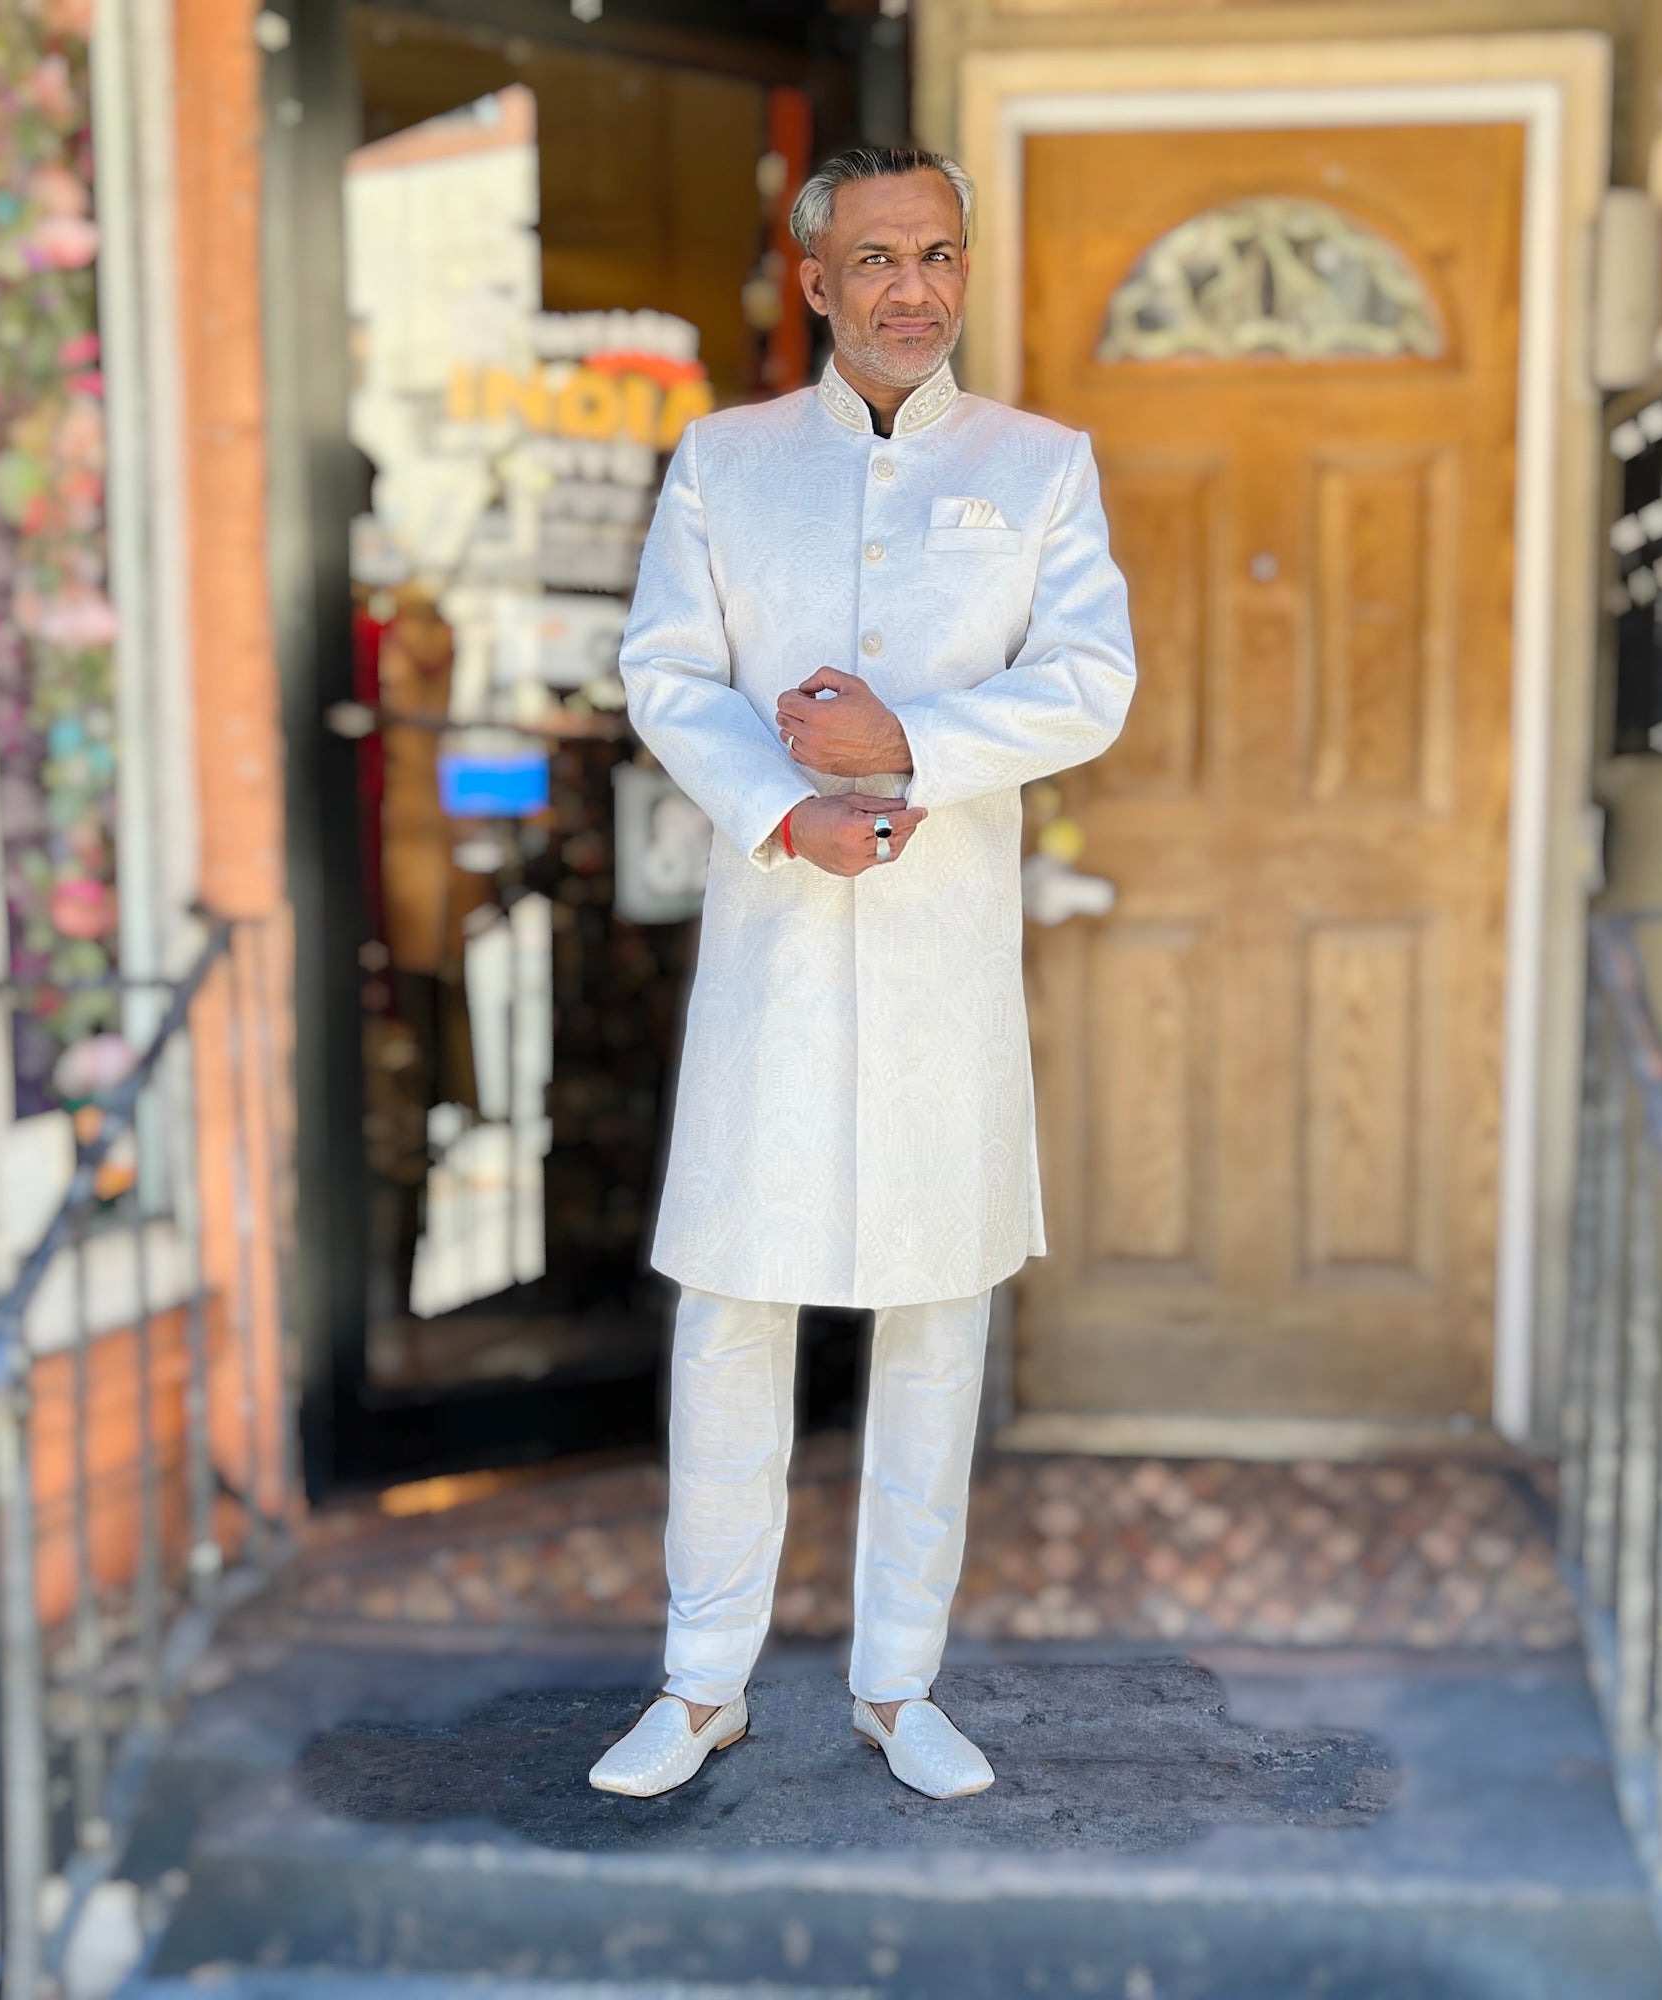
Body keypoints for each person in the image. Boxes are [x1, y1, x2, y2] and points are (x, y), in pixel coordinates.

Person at [591, 145, 1135, 1802]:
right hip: (774, 938)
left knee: (933, 1315)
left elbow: (1093, 682)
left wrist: (912, 745)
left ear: (964, 275)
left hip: (943, 955)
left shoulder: (1041, 466)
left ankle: (901, 1689)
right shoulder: (726, 460)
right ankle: (702, 1685)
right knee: (734, 1312)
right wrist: (780, 807)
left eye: (941, 254)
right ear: (817, 280)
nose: (915, 287)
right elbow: (665, 673)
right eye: (880, 257)